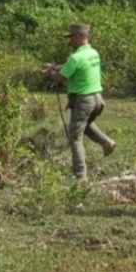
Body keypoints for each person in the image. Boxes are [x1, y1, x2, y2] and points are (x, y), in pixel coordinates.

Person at [44, 24, 115, 181]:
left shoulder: (75, 57)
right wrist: (56, 67)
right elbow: (73, 66)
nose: (69, 41)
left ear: (81, 37)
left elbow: (61, 78)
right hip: (98, 99)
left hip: (84, 100)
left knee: (75, 137)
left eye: (72, 37)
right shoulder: (93, 53)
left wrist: (51, 73)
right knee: (86, 126)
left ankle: (80, 177)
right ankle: (107, 143)